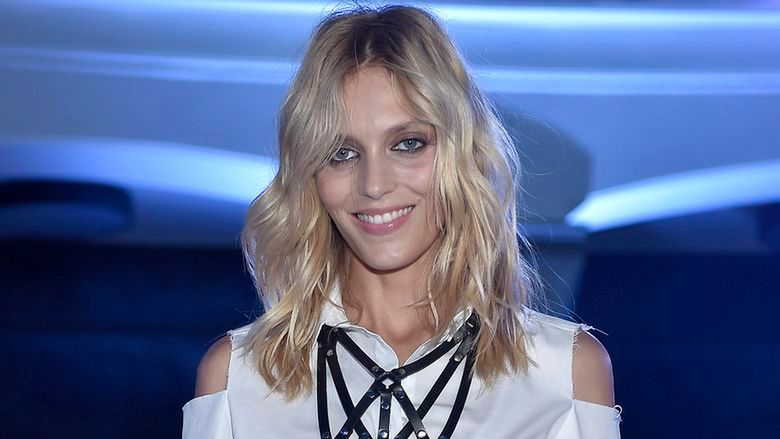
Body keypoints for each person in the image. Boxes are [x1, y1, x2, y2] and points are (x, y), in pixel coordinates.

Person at [183, 4, 621, 438]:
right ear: (311, 176)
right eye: (341, 153)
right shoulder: (237, 379)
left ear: (460, 155)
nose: (374, 185)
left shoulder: (562, 373)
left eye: (408, 144)